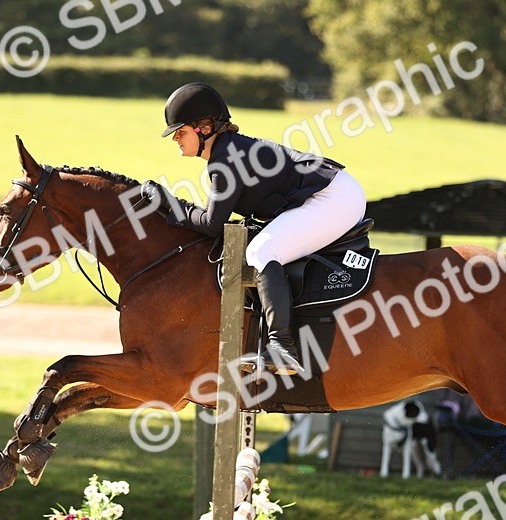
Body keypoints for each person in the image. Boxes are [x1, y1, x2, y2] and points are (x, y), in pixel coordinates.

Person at [143, 82, 367, 375]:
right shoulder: (228, 151)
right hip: (334, 193)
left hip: (333, 198)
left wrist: (169, 204)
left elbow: (212, 225)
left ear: (205, 128)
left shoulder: (225, 159)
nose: (175, 139)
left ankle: (282, 348)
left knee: (262, 250)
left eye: (180, 132)